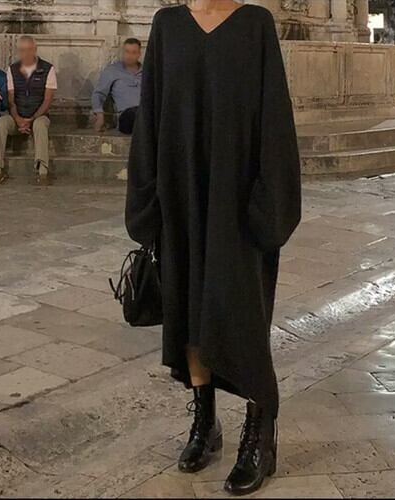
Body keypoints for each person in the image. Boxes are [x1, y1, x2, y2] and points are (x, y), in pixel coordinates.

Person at [125, 1, 301, 496]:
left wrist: (270, 204)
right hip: (180, 194)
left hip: (238, 204)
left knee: (243, 318)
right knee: (188, 314)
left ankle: (260, 434)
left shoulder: (255, 23)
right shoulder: (167, 25)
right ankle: (205, 423)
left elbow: (275, 118)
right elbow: (151, 114)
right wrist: (146, 200)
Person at [0, 35, 57, 185]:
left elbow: (47, 100)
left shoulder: (48, 69)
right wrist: (18, 119)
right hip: (17, 116)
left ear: (35, 49)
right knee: (0, 123)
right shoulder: (13, 69)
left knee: (40, 125)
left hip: (38, 115)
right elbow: (11, 100)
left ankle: (43, 171)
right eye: (22, 50)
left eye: (28, 50)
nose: (25, 54)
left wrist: (31, 119)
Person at [92, 38, 142, 135]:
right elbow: (98, 94)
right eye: (127, 52)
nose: (129, 56)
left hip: (146, 113)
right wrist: (100, 115)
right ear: (123, 52)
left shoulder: (147, 72)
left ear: (139, 54)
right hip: (126, 116)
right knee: (136, 114)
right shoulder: (112, 71)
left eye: (133, 52)